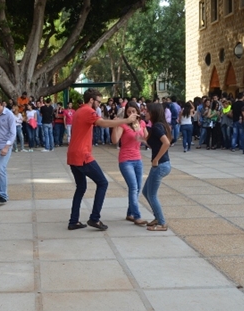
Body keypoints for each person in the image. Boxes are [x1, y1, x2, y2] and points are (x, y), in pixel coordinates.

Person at [66, 88, 137, 231]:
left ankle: (73, 221)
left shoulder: (79, 111)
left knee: (81, 187)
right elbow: (103, 123)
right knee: (103, 183)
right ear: (91, 100)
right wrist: (126, 120)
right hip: (83, 155)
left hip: (73, 155)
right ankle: (95, 218)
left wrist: (115, 121)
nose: (99, 104)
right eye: (98, 101)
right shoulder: (87, 111)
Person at [111, 102, 148, 226]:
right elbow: (115, 140)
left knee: (138, 188)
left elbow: (146, 140)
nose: (131, 114)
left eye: (133, 111)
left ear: (137, 112)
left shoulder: (141, 123)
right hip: (126, 160)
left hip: (138, 159)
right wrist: (116, 125)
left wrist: (142, 132)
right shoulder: (123, 125)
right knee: (133, 187)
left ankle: (130, 213)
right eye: (129, 112)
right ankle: (137, 216)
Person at [142, 103, 172, 231]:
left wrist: (156, 159)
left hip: (160, 165)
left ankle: (162, 223)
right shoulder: (157, 126)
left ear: (153, 112)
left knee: (152, 195)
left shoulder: (157, 127)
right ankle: (157, 217)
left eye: (147, 111)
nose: (145, 113)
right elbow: (153, 144)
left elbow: (166, 143)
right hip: (162, 165)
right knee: (145, 192)